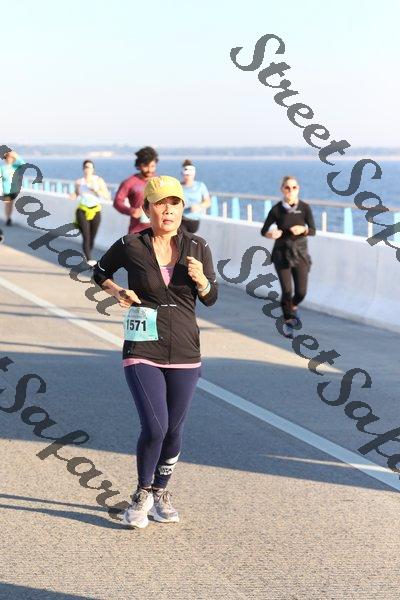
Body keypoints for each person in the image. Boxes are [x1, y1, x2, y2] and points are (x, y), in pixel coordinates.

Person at [93, 175, 218, 529]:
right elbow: (99, 272)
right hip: (142, 345)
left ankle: (161, 492)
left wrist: (202, 281)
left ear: (182, 208)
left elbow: (211, 298)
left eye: (175, 203)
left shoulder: (197, 246)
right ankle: (142, 492)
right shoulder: (131, 244)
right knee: (155, 426)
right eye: (161, 203)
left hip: (186, 349)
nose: (168, 210)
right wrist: (118, 291)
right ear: (148, 208)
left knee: (174, 430)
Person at [261, 175, 316, 338]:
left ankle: (293, 306)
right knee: (287, 290)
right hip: (281, 253)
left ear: (298, 189)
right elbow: (263, 230)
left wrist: (303, 230)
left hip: (300, 253)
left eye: (294, 187)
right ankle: (288, 321)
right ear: (282, 190)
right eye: (287, 188)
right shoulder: (276, 209)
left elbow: (313, 230)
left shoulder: (305, 208)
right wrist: (271, 234)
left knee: (301, 292)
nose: (291, 190)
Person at [71, 160, 109, 267]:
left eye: (90, 167)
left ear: (93, 169)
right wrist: (73, 195)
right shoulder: (79, 182)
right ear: (83, 169)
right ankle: (89, 259)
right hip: (82, 211)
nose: (88, 169)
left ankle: (87, 254)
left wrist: (96, 190)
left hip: (95, 211)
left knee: (92, 237)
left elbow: (106, 196)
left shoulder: (98, 180)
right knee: (86, 236)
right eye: (86, 167)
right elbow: (76, 193)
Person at [113, 146, 158, 234]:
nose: (149, 170)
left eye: (152, 166)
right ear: (139, 165)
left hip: (157, 231)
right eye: (145, 166)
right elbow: (117, 202)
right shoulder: (129, 182)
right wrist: (131, 211)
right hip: (136, 232)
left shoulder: (159, 181)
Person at [180, 159, 211, 233]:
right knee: (182, 237)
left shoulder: (200, 186)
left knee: (190, 238)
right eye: (185, 175)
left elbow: (208, 202)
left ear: (193, 174)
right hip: (181, 219)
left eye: (189, 175)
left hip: (194, 221)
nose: (187, 177)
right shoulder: (179, 186)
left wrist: (199, 206)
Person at [1, 150, 26, 226]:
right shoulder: (2, 168)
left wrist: (16, 155)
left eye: (11, 158)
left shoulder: (16, 167)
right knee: (7, 203)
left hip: (14, 190)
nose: (9, 159)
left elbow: (23, 164)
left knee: (10, 204)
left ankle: (9, 217)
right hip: (6, 190)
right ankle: (8, 218)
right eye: (8, 158)